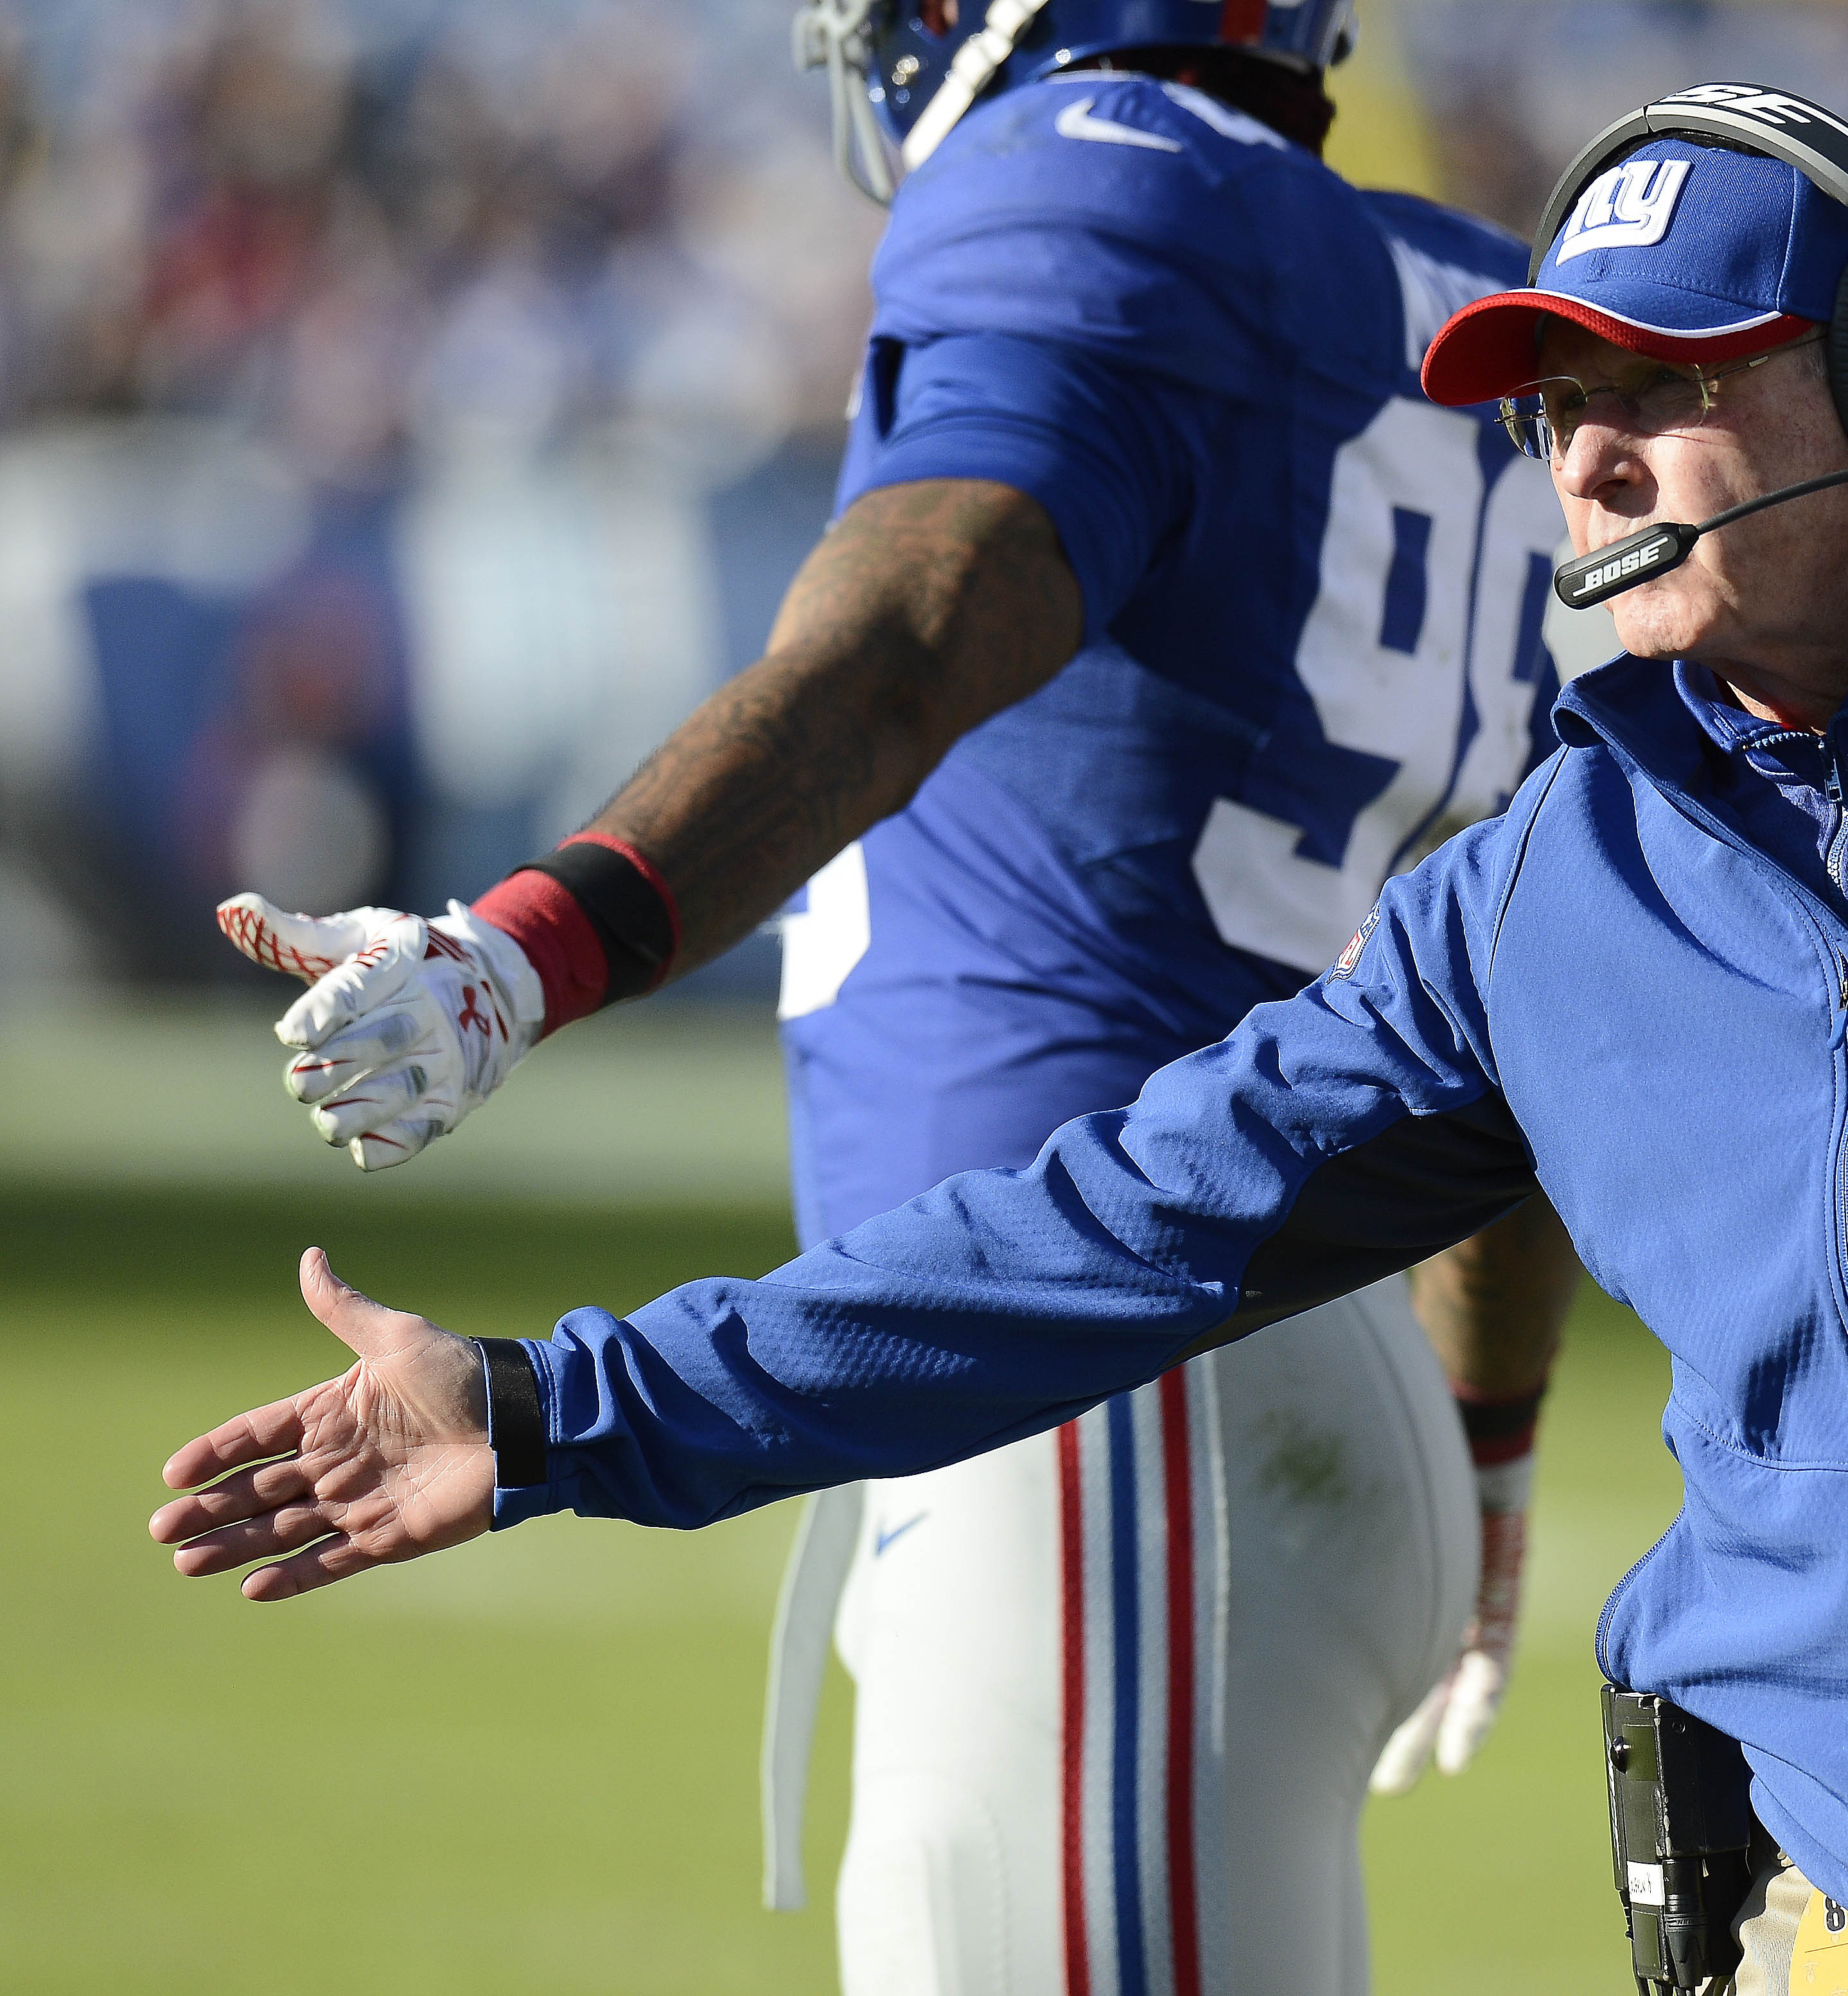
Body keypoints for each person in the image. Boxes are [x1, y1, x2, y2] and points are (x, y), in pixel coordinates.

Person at [164, 84, 1848, 1996]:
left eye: (1669, 385)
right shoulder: (1553, 891)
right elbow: (1096, 1243)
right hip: (1833, 1929)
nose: (1592, 458)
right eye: (1559, 405)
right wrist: (558, 1417)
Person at [202, 4, 1584, 1992]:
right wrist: (1489, 1416)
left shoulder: (1103, 170)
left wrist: (530, 943)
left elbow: (921, 626)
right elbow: (1518, 949)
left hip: (1112, 1385)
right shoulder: (1468, 302)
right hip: (1251, 1377)